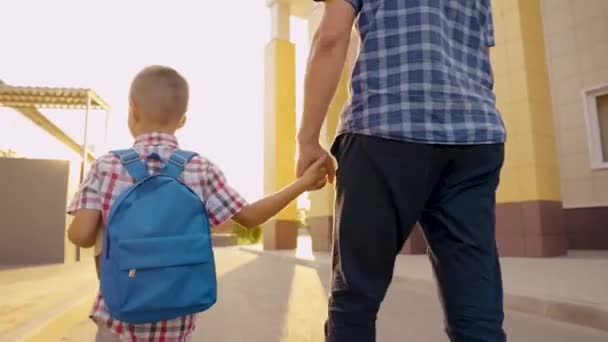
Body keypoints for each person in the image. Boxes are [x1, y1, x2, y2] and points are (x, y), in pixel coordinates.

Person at [67, 65, 329, 342]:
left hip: (118, 316)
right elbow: (250, 216)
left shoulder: (106, 166)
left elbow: (82, 235)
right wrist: (303, 183)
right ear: (182, 120)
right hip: (177, 320)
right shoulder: (200, 168)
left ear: (132, 110)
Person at [296, 1, 506, 341]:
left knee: (356, 296)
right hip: (474, 137)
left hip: (384, 130)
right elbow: (480, 52)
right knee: (475, 301)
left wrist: (307, 140)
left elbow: (332, 36)